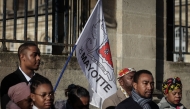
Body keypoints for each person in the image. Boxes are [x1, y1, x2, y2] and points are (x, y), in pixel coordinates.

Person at [1, 42, 41, 109]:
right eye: (34, 55)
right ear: (22, 56)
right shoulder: (9, 82)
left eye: (39, 55)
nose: (38, 58)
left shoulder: (42, 81)